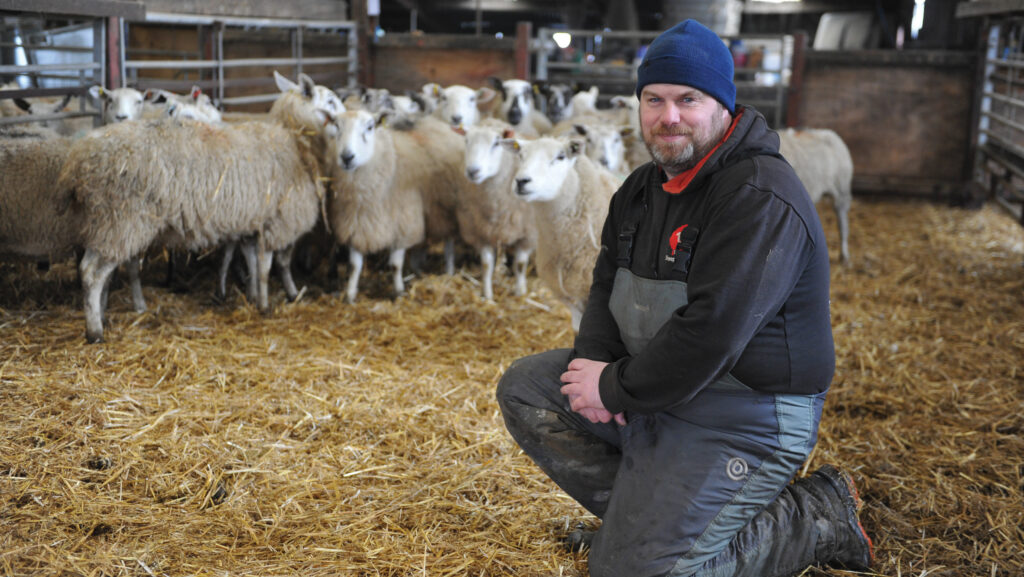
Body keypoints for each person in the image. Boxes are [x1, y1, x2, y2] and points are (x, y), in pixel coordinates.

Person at [496, 19, 873, 577]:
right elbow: (605, 285)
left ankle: (816, 516)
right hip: (663, 388)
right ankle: (641, 521)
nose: (668, 116)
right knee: (528, 389)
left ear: (723, 105)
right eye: (654, 99)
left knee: (636, 574)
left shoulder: (757, 196)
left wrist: (617, 388)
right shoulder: (639, 190)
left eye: (687, 99)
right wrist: (598, 366)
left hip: (748, 411)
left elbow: (713, 330)